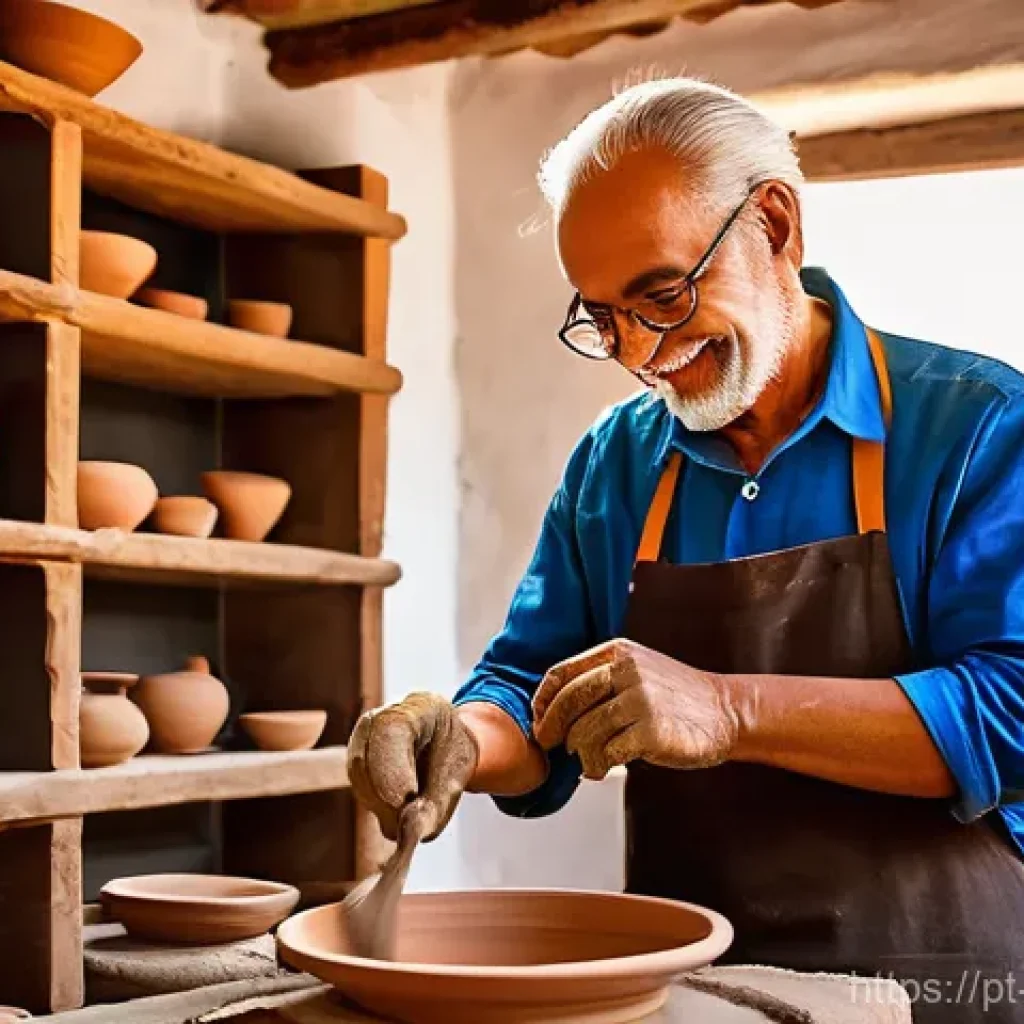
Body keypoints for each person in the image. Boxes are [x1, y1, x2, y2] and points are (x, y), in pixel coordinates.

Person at [348, 78, 1024, 1022]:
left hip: (940, 987)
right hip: (691, 990)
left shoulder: (976, 427)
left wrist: (729, 706)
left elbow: (1013, 710)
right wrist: (460, 737)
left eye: (662, 294)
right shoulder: (616, 465)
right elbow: (528, 686)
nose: (640, 353)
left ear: (777, 226)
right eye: (602, 316)